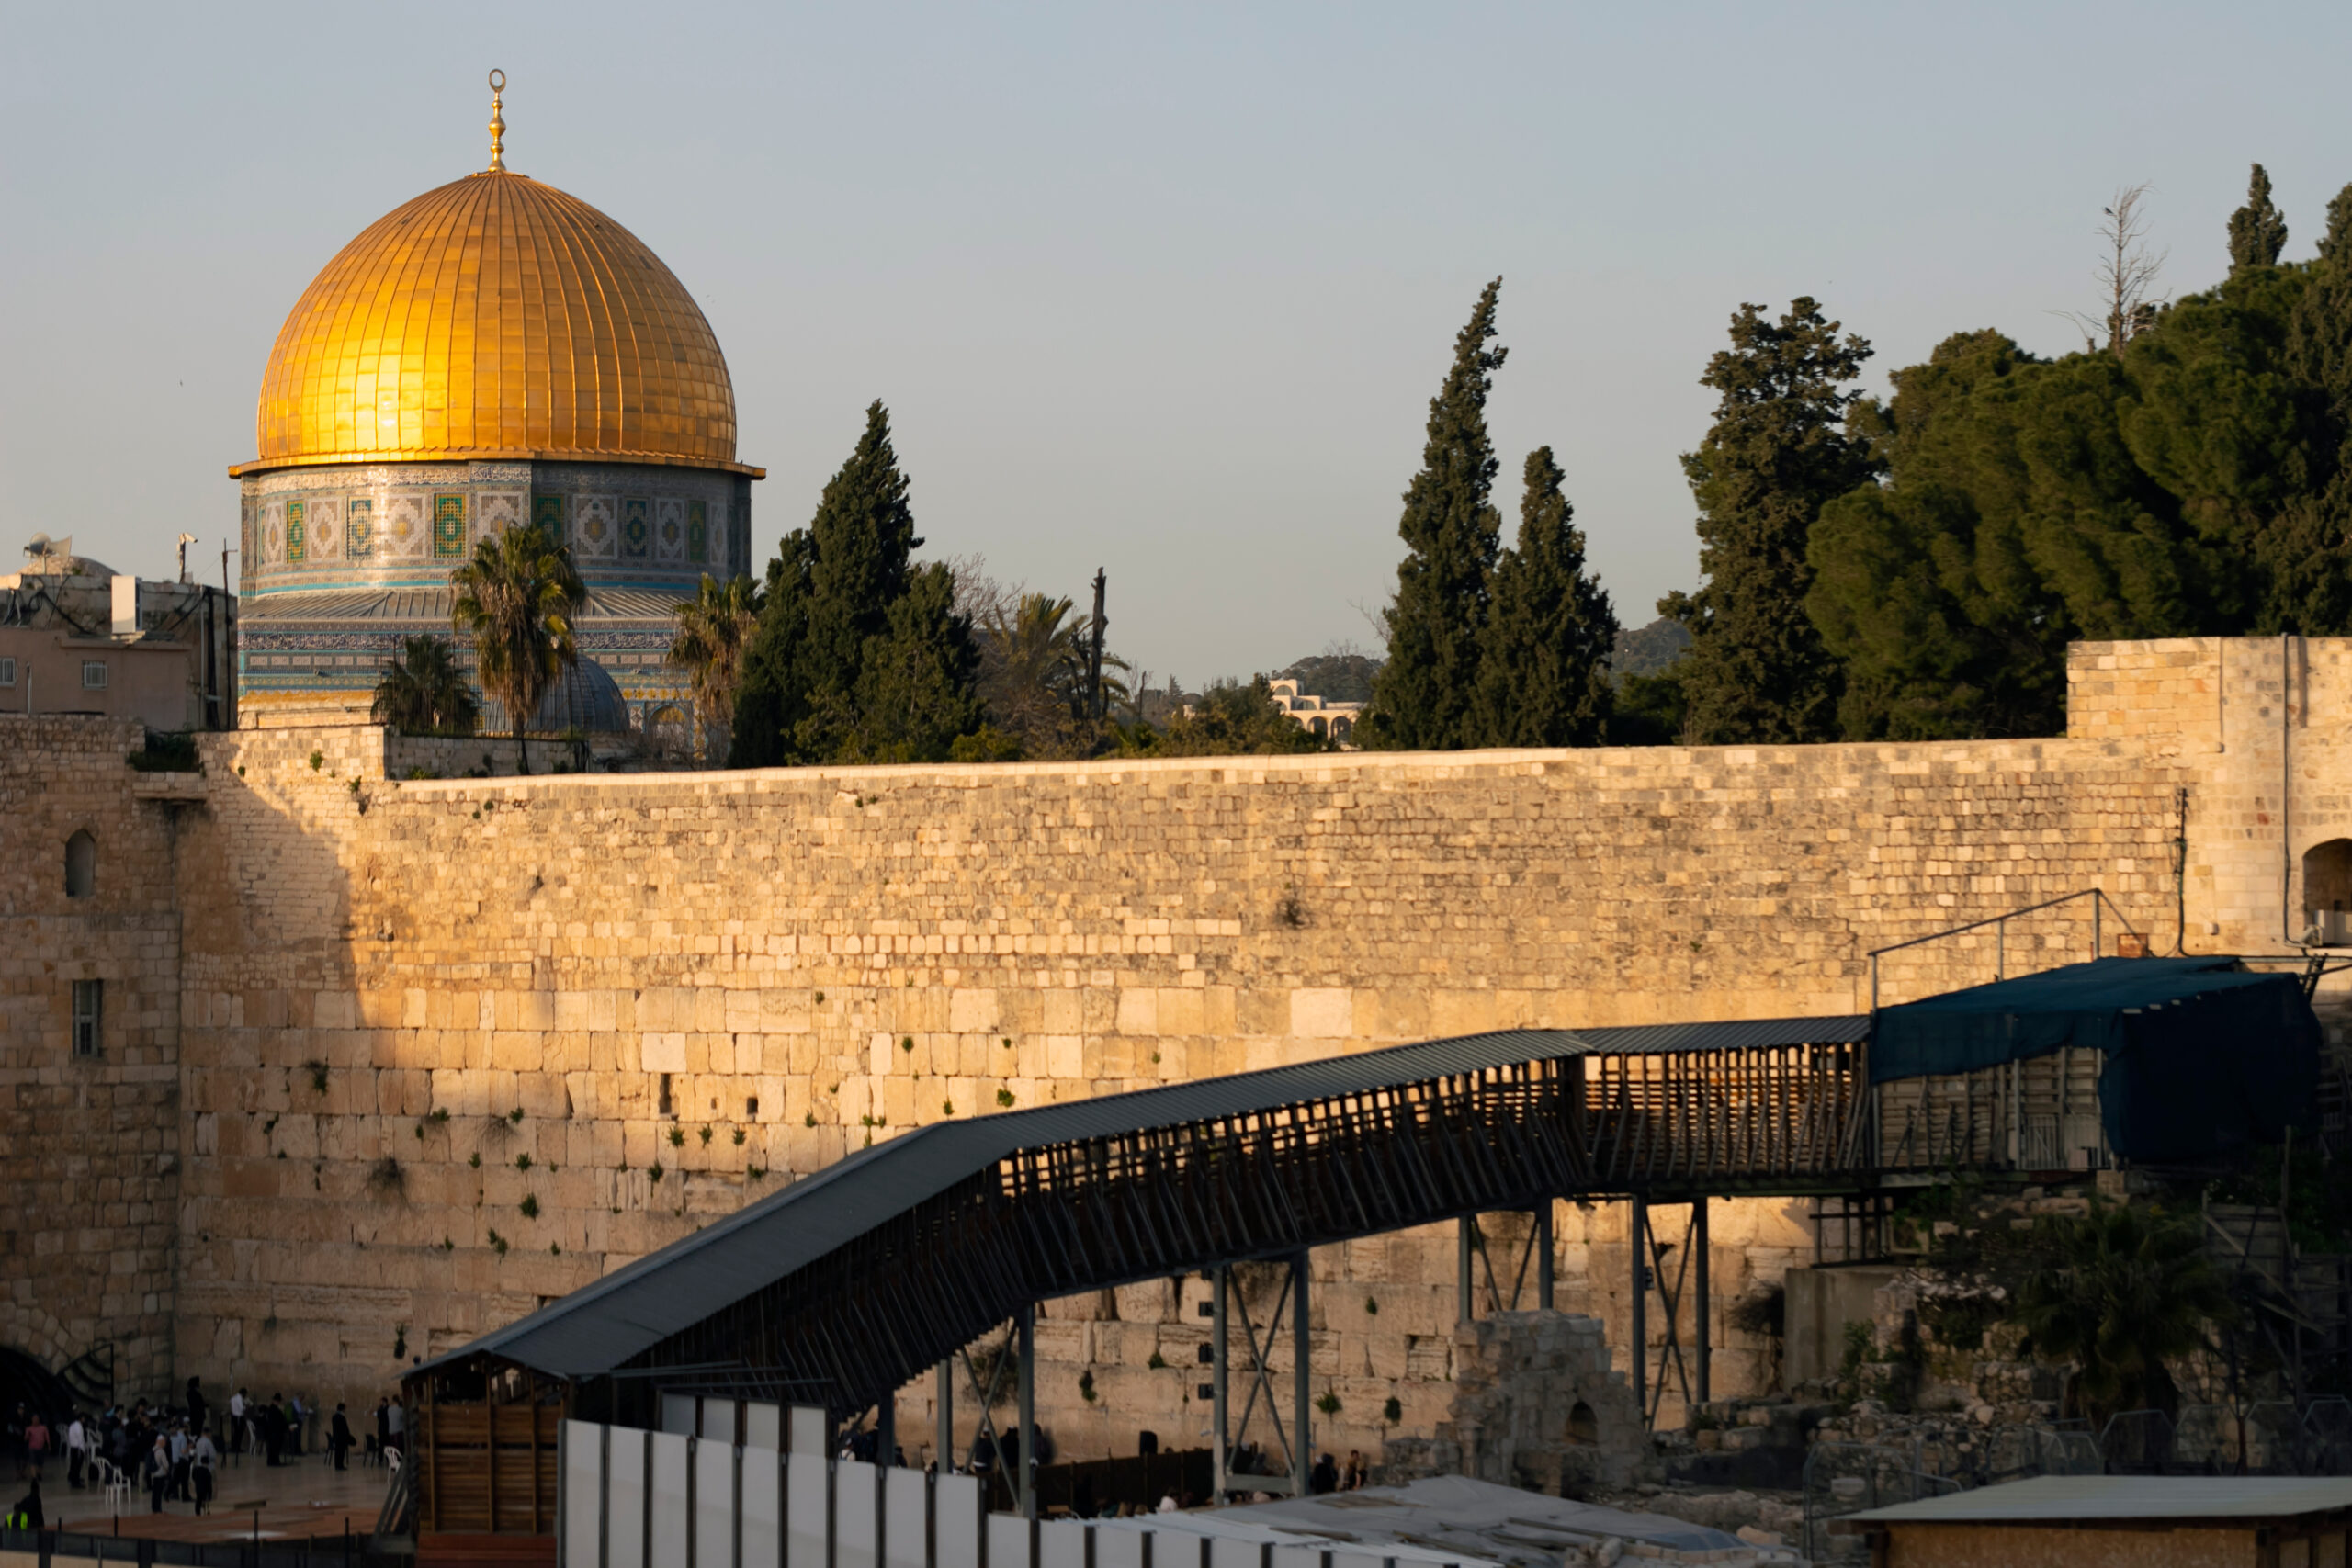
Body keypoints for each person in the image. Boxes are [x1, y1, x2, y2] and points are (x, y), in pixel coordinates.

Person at [190, 1429, 217, 1516]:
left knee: (199, 1497)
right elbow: (213, 1455)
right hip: (207, 1468)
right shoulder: (208, 1443)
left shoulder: (198, 1442)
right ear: (208, 1433)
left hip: (198, 1469)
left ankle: (198, 1512)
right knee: (207, 1494)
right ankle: (207, 1509)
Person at [145, 1434, 169, 1513]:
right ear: (160, 1442)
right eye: (164, 1441)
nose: (165, 1443)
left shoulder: (152, 1449)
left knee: (154, 1492)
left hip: (154, 1474)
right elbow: (166, 1464)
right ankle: (158, 1508)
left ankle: (154, 1507)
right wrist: (167, 1471)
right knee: (159, 1493)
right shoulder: (161, 1451)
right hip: (160, 1474)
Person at [329, 1404, 354, 1472]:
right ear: (343, 1409)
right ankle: (340, 1466)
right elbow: (344, 1428)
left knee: (337, 1452)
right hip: (342, 1438)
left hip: (336, 1437)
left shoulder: (334, 1416)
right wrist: (348, 1436)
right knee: (341, 1452)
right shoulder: (341, 1417)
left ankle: (337, 1465)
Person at [64, 1413, 85, 1490]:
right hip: (78, 1448)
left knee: (73, 1465)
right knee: (77, 1466)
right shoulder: (78, 1426)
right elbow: (80, 1438)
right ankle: (75, 1482)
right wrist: (82, 1449)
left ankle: (73, 1478)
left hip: (73, 1447)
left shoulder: (72, 1425)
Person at [24, 1415, 46, 1479]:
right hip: (32, 1448)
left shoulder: (43, 1428)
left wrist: (48, 1445)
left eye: (37, 1419)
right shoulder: (29, 1428)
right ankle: (34, 1476)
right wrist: (28, 1435)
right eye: (34, 1419)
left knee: (40, 1463)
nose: (35, 1420)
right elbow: (25, 1438)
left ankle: (39, 1473)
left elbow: (46, 1437)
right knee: (33, 1462)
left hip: (41, 1448)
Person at [227, 1390, 246, 1463]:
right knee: (239, 1433)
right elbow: (241, 1409)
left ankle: (234, 1446)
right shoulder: (239, 1398)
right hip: (239, 1417)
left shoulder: (234, 1397)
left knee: (235, 1432)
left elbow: (230, 1402)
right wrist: (245, 1406)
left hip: (234, 1417)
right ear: (243, 1393)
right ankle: (237, 1447)